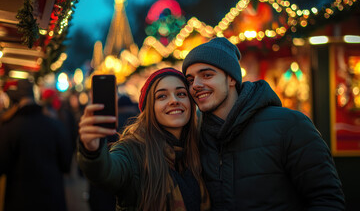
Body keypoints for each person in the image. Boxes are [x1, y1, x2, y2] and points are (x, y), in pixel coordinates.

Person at [182, 37, 345, 210]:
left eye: (207, 75)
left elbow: (327, 199)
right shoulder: (197, 137)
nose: (195, 85)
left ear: (231, 78)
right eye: (190, 80)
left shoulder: (289, 125)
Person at [77, 68, 211, 211]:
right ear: (149, 109)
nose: (174, 101)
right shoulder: (133, 150)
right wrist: (92, 151)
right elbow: (107, 172)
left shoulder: (200, 147)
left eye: (181, 94)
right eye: (162, 96)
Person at [0, 79, 73, 211]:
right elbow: (66, 164)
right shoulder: (54, 124)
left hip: (19, 201)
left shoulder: (8, 127)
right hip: (52, 199)